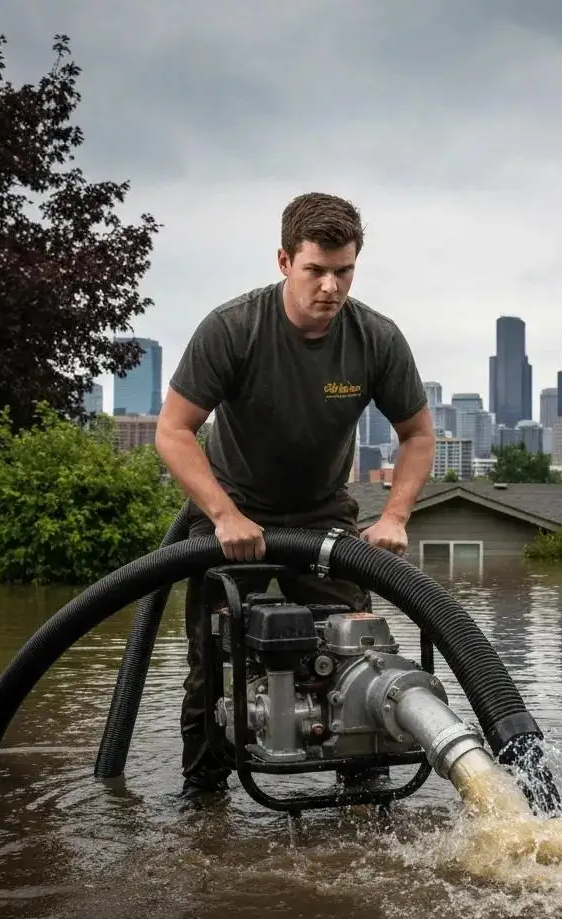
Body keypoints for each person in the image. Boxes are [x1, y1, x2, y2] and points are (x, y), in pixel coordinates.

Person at [155, 192, 435, 800]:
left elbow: (417, 435)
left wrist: (394, 516)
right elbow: (173, 431)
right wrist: (224, 515)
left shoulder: (376, 339)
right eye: (317, 270)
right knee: (210, 664)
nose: (331, 287)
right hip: (233, 514)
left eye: (345, 271)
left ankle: (364, 795)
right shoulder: (233, 328)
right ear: (284, 261)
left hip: (324, 517)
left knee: (356, 656)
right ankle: (203, 803)